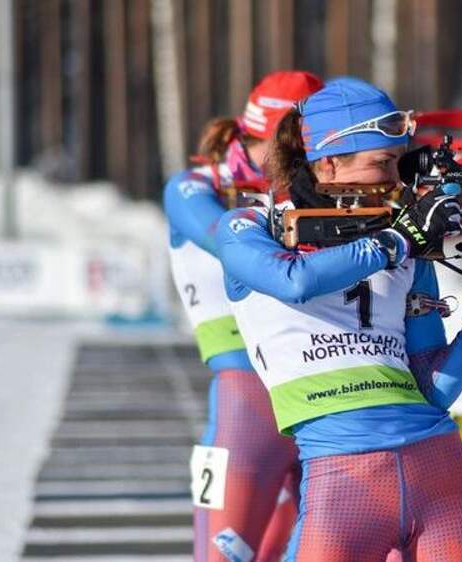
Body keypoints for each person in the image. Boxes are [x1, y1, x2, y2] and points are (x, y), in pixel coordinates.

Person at [216, 77, 462, 562]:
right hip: (342, 482)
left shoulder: (406, 241)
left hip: (440, 471)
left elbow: (433, 388)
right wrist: (398, 241)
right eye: (382, 162)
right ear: (328, 162)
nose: (396, 180)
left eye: (400, 162)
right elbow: (293, 280)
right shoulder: (249, 227)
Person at [163, 70, 323, 562]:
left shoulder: (318, 193)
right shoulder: (196, 187)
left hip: (320, 393)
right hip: (247, 405)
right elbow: (234, 246)